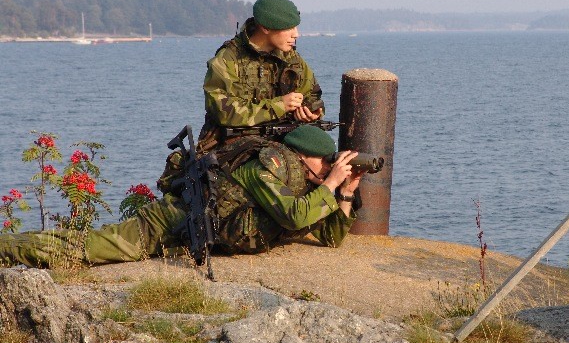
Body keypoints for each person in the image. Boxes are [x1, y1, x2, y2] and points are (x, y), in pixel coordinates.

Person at [0, 126, 364, 268]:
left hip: (197, 236)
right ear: (300, 156)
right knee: (89, 250)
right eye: (324, 160)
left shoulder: (304, 183)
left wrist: (345, 192)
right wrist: (331, 183)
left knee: (100, 250)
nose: (329, 165)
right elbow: (295, 217)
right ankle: (8, 246)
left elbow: (331, 238)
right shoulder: (263, 165)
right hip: (171, 219)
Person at [196, 0, 324, 155]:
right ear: (265, 28)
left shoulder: (292, 59)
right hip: (234, 149)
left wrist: (311, 111)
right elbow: (223, 112)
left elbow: (312, 95)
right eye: (288, 28)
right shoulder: (228, 59)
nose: (296, 34)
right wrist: (279, 106)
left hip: (283, 143)